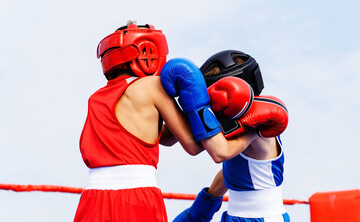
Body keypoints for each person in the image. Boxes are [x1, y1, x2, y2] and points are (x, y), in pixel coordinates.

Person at [73, 23, 257, 222]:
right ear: (148, 50)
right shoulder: (152, 86)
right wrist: (207, 109)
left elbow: (165, 137)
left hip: (93, 197)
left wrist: (191, 107)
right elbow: (193, 146)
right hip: (135, 197)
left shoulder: (96, 99)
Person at [173, 50, 290, 222]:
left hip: (263, 218)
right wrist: (203, 207)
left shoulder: (257, 123)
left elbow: (221, 153)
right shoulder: (237, 124)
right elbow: (233, 169)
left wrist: (196, 106)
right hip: (236, 216)